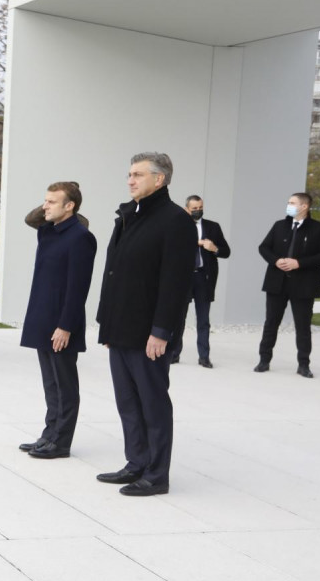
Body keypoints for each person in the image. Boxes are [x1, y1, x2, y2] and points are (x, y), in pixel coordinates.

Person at [94, 152, 193, 496]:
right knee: (128, 403)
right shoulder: (128, 216)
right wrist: (107, 325)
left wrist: (162, 331)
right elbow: (114, 274)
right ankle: (136, 462)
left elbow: (176, 283)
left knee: (152, 403)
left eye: (137, 174)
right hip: (121, 329)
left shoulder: (175, 220)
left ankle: (156, 474)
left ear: (159, 179)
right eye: (129, 174)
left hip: (149, 333)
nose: (130, 180)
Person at [18, 182, 98, 459]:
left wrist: (66, 326)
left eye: (52, 202)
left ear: (70, 206)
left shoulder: (80, 237)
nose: (45, 206)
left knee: (64, 385)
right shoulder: (48, 232)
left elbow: (79, 288)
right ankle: (49, 434)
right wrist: (53, 204)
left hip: (62, 323)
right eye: (45, 200)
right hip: (43, 317)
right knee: (50, 384)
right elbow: (33, 218)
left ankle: (61, 442)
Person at [255, 192, 320, 378]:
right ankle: (264, 360)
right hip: (277, 282)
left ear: (304, 206)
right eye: (288, 202)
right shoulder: (280, 225)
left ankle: (303, 364)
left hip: (303, 284)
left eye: (292, 202)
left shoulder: (319, 229)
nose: (288, 205)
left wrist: (299, 263)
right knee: (271, 323)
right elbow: (263, 247)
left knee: (303, 326)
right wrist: (275, 261)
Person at [166, 195, 230, 367]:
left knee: (203, 320)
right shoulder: (177, 225)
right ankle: (174, 353)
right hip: (183, 278)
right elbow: (169, 248)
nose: (198, 211)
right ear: (187, 209)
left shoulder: (212, 227)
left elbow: (226, 251)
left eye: (200, 207)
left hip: (203, 277)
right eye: (194, 208)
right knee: (179, 318)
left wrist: (214, 248)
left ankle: (204, 356)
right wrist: (193, 243)